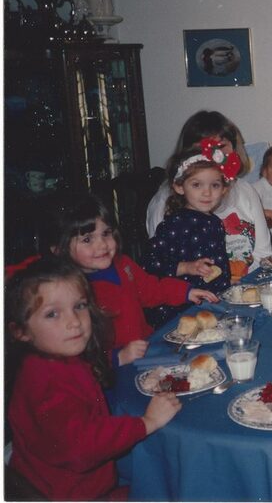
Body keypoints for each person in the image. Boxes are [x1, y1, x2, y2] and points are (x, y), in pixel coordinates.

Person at [5, 257, 182, 500]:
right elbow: (81, 446)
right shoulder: (45, 383)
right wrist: (147, 422)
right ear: (20, 331)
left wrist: (117, 357)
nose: (74, 321)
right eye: (52, 314)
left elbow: (83, 368)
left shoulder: (53, 358)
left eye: (79, 306)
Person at [49, 194, 218, 363]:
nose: (102, 245)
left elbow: (151, 289)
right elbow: (78, 352)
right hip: (114, 369)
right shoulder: (72, 293)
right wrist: (117, 357)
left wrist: (186, 291)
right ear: (59, 249)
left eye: (106, 233)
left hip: (147, 346)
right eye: (87, 239)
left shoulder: (123, 264)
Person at [146, 110, 271, 282]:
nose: (212, 154)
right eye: (201, 147)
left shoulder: (246, 191)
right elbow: (159, 267)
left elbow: (264, 254)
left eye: (220, 147)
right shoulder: (164, 201)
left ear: (234, 148)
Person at [144, 143, 236, 327]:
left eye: (215, 185)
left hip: (212, 305)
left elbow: (219, 263)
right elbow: (148, 264)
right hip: (179, 311)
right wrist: (185, 267)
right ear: (179, 187)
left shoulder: (215, 222)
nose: (207, 192)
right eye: (196, 185)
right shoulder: (174, 224)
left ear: (224, 189)